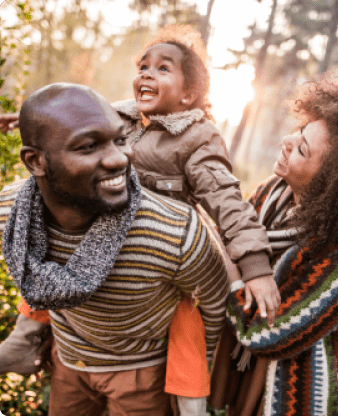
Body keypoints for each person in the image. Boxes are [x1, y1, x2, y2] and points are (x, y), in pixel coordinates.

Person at [0, 25, 280, 415]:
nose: (147, 74)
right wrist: (25, 120)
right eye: (143, 66)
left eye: (163, 69)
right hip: (104, 223)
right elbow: (67, 126)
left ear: (189, 95)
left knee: (187, 322)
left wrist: (254, 265)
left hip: (162, 244)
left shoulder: (197, 137)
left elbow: (225, 199)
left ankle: (191, 399)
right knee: (43, 253)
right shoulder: (124, 117)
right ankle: (26, 335)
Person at [0, 82, 228, 416]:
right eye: (89, 146)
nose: (119, 158)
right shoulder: (10, 212)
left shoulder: (174, 231)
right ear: (36, 161)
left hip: (141, 371)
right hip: (68, 359)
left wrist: (187, 377)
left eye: (120, 139)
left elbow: (212, 303)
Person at [208, 74, 338, 416]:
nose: (287, 141)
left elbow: (269, 336)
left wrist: (234, 267)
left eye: (302, 149)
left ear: (331, 184)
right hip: (243, 371)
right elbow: (227, 231)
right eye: (299, 130)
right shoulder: (272, 193)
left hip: (290, 383)